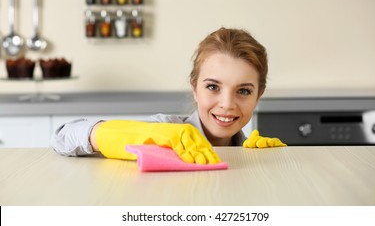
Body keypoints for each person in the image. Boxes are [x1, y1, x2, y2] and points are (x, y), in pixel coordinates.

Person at [51, 27, 286, 164]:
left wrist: (266, 165)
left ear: (259, 95)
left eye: (243, 91)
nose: (227, 104)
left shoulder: (250, 153)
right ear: (194, 87)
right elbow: (62, 136)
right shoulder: (164, 131)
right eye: (213, 87)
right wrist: (145, 133)